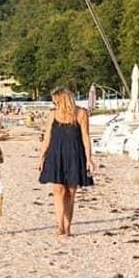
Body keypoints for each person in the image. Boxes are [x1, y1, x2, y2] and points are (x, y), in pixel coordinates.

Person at [37, 88, 95, 236]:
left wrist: (89, 159)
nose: (54, 103)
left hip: (75, 155)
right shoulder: (53, 115)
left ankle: (67, 226)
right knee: (58, 190)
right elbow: (47, 137)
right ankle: (60, 225)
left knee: (71, 192)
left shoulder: (81, 113)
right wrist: (41, 157)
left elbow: (86, 137)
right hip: (56, 155)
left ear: (63, 99)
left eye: (56, 100)